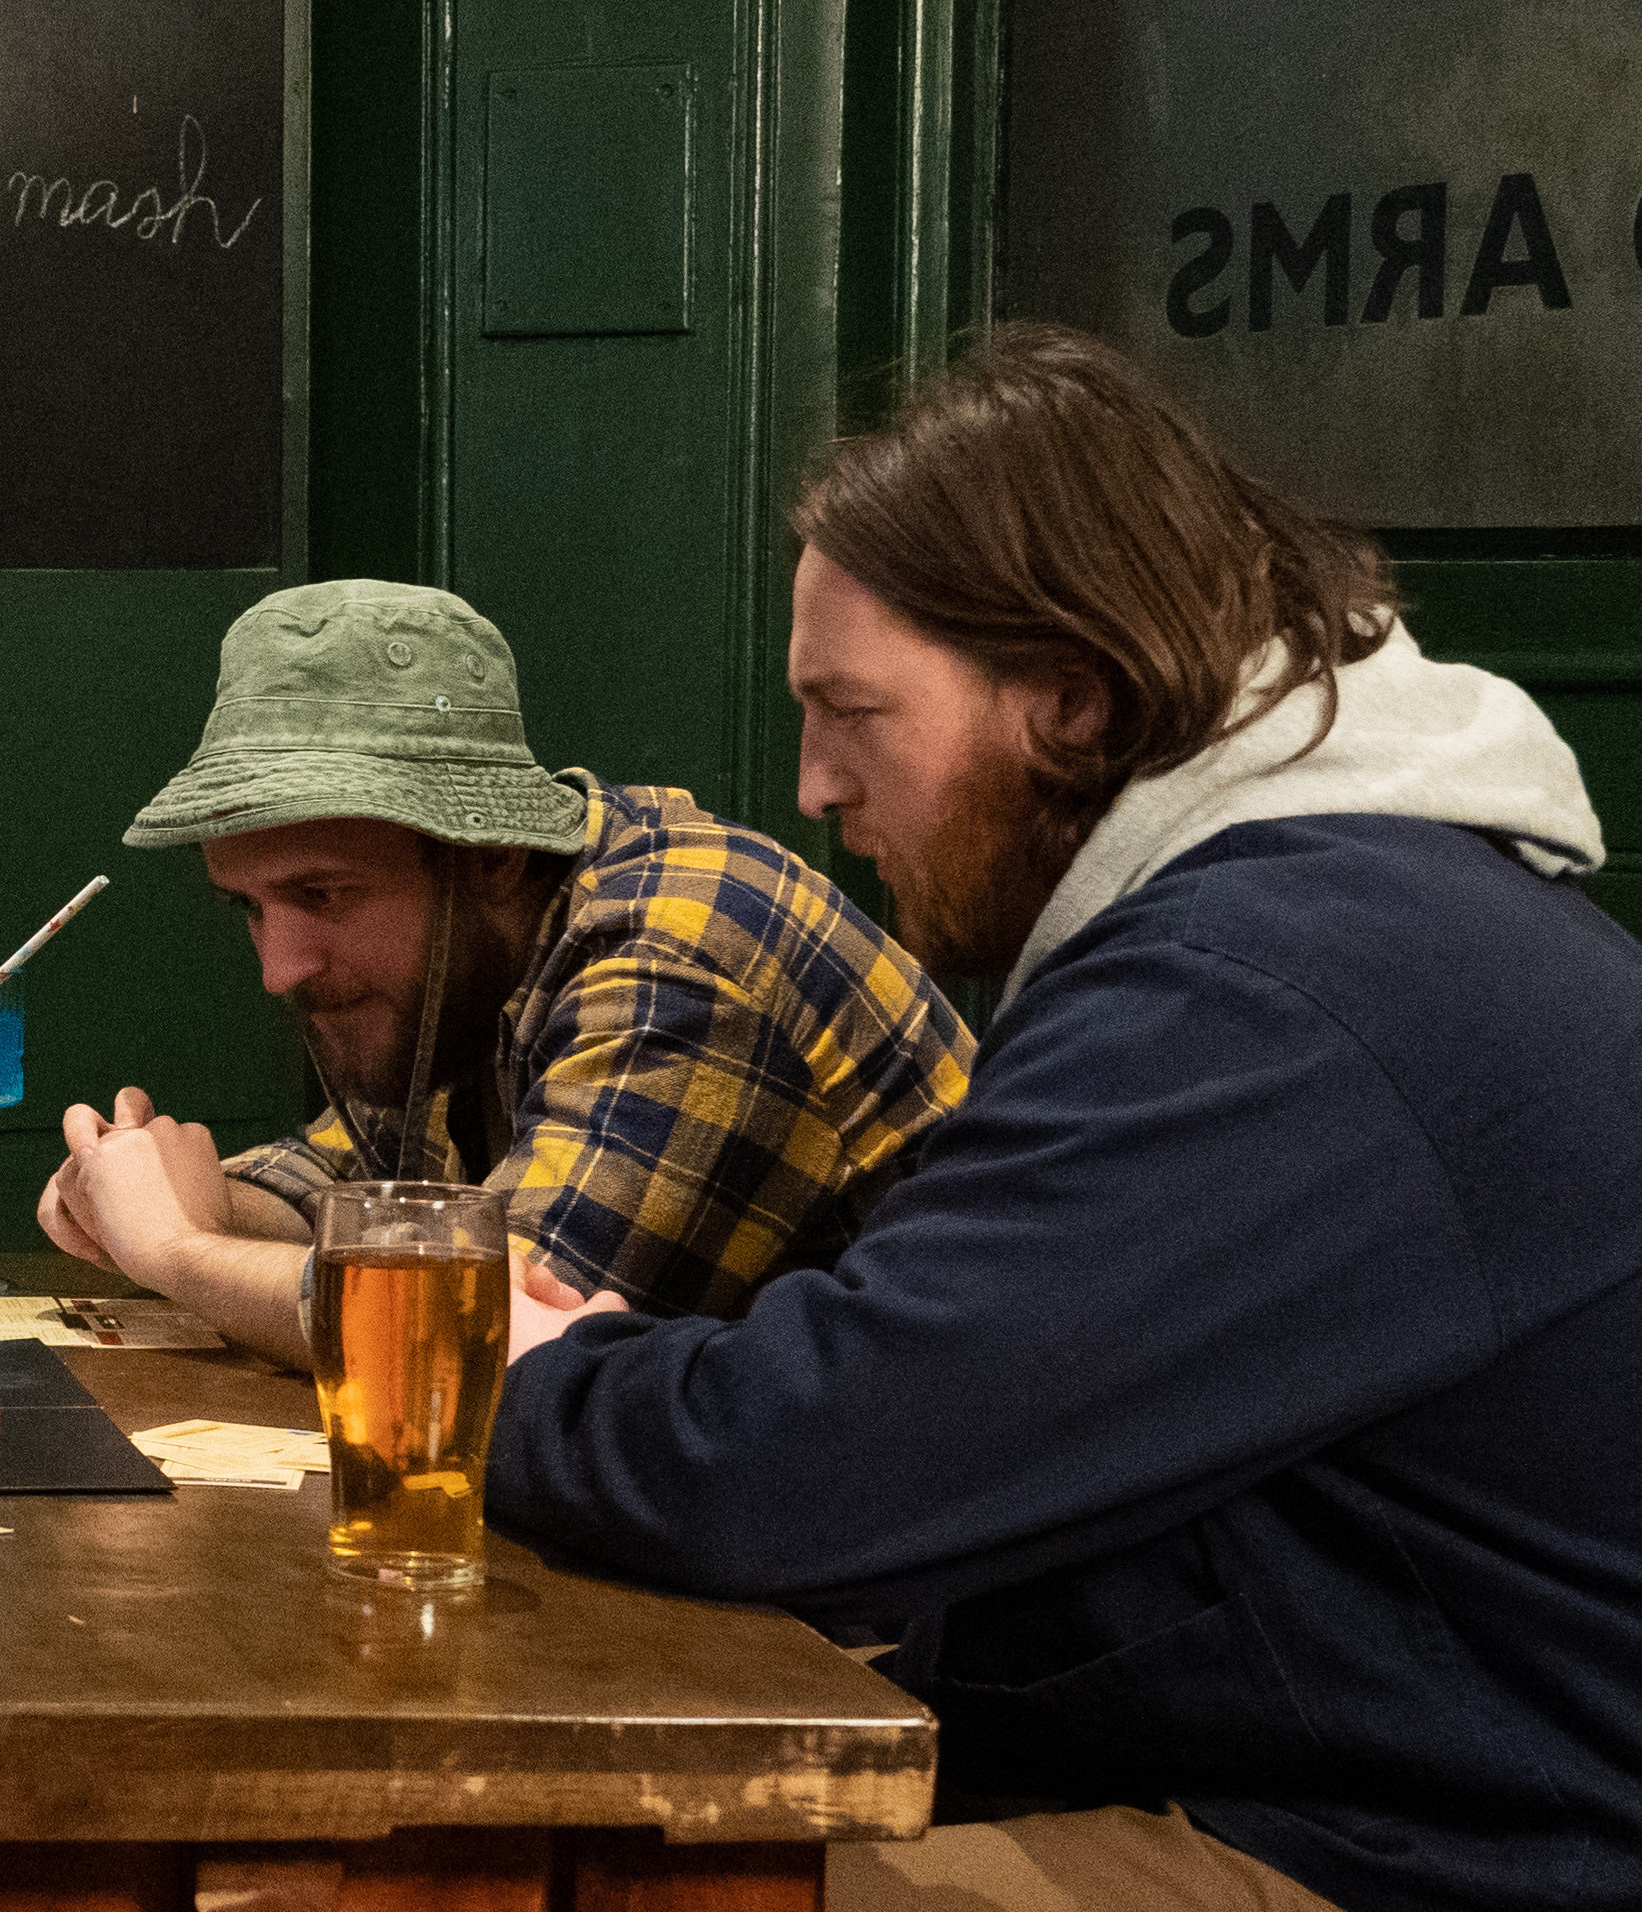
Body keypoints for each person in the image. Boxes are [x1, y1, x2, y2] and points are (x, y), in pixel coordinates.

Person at [476, 325, 1642, 1911]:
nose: (815, 784)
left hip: (1441, 1861)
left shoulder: (1275, 986)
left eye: (852, 710)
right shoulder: (1312, 921)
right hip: (1328, 1785)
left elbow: (801, 1467)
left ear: (1073, 704)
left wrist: (515, 1382)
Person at [39, 579, 971, 1366]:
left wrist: (176, 1246)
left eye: (322, 895)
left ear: (492, 855)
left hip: (920, 1509)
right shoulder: (483, 953)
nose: (280, 969)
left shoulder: (681, 952)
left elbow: (477, 1334)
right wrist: (153, 1190)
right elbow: (368, 1190)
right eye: (249, 908)